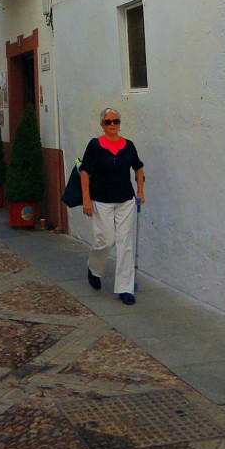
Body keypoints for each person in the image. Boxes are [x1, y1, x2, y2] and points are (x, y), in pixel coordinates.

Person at [80, 107, 144, 304]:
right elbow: (84, 172)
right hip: (101, 200)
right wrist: (86, 199)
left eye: (115, 121)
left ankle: (125, 289)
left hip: (125, 199)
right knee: (105, 241)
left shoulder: (128, 145)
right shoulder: (95, 145)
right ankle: (94, 268)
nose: (112, 125)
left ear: (119, 123)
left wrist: (140, 192)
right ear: (102, 125)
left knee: (124, 243)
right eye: (108, 122)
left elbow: (138, 167)